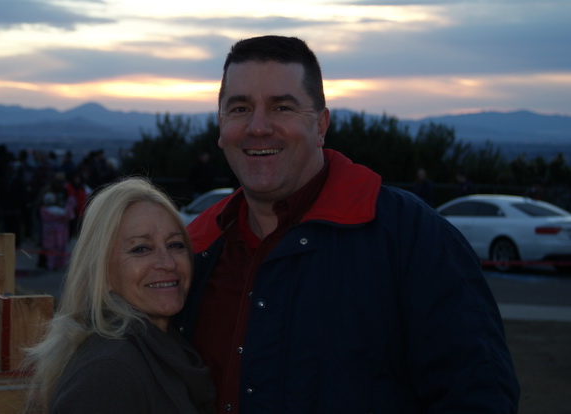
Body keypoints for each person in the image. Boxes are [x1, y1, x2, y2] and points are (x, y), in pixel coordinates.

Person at [176, 35, 520, 413]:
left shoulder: (411, 238)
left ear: (321, 125)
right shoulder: (195, 248)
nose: (258, 127)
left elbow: (477, 394)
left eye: (282, 108)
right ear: (220, 126)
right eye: (239, 108)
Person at [23, 177, 215, 414]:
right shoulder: (108, 371)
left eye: (175, 245)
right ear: (101, 272)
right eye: (141, 249)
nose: (167, 263)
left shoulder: (163, 345)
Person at [38, 191, 76, 271]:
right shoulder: (59, 211)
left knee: (51, 250)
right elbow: (69, 216)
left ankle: (51, 265)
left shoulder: (44, 211)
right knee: (59, 249)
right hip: (60, 235)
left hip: (49, 234)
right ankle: (59, 265)